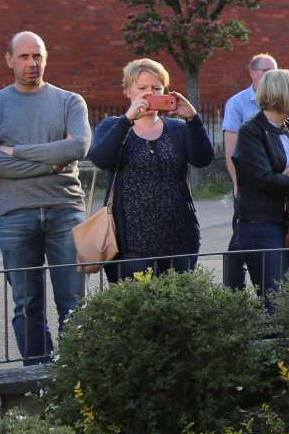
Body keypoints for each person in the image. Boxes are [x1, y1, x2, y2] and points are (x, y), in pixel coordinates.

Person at [0, 31, 89, 365]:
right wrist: (51, 164)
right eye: (23, 57)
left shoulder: (70, 101)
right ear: (9, 60)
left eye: (37, 56)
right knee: (26, 302)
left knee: (74, 301)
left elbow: (78, 147)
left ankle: (74, 372)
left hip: (65, 208)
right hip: (13, 213)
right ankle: (36, 375)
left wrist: (16, 152)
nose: (31, 63)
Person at [85, 58, 212, 280]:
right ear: (127, 91)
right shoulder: (113, 126)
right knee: (136, 308)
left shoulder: (178, 129)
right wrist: (127, 120)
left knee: (177, 306)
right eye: (142, 88)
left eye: (156, 88)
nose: (149, 94)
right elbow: (101, 159)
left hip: (178, 240)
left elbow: (203, 159)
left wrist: (193, 120)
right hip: (130, 243)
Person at [232, 68, 289, 305]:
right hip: (262, 225)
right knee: (276, 300)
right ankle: (277, 343)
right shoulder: (251, 131)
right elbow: (263, 179)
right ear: (281, 94)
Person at [221, 53, 277, 293]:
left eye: (274, 71)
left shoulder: (280, 101)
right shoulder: (238, 103)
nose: (270, 76)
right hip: (249, 185)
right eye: (265, 71)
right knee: (242, 238)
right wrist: (237, 183)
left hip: (274, 184)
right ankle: (234, 287)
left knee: (249, 239)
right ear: (252, 73)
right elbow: (231, 150)